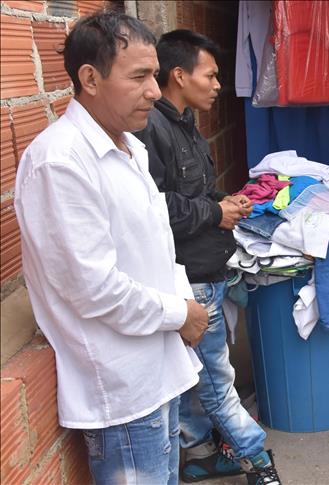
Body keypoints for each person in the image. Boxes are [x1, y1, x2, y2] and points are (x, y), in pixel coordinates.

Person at [14, 12, 209, 484]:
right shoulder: (60, 162)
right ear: (90, 79)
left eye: (155, 75)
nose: (155, 91)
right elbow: (94, 288)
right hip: (123, 393)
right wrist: (181, 313)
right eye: (139, 77)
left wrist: (185, 309)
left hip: (158, 371)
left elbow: (158, 245)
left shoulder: (129, 147)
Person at [133, 30, 281, 484]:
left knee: (195, 378)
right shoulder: (150, 130)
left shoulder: (185, 124)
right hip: (189, 278)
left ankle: (199, 455)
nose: (218, 85)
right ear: (179, 75)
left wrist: (226, 202)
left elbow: (193, 194)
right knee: (217, 382)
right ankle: (259, 462)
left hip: (208, 269)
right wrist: (215, 212)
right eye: (210, 75)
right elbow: (154, 208)